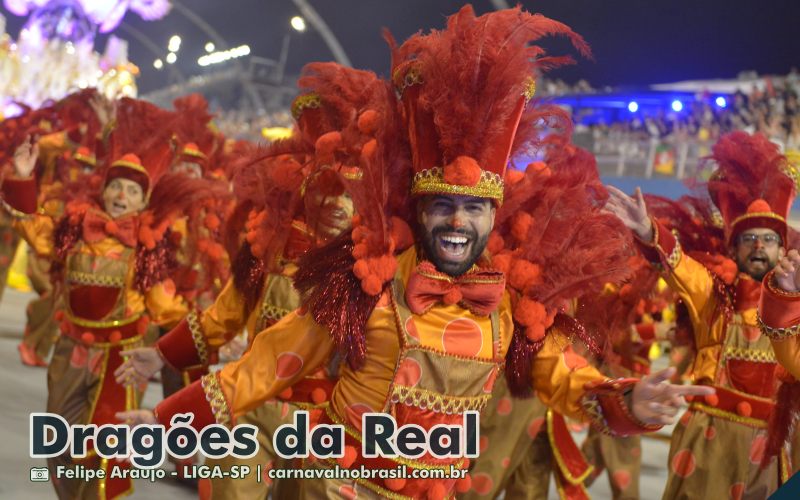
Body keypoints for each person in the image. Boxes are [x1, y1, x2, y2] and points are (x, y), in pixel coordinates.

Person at [119, 6, 710, 499]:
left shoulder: (510, 306)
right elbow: (273, 359)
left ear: (491, 217)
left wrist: (632, 399)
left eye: (473, 209)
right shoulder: (364, 285)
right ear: (419, 211)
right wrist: (169, 418)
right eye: (443, 206)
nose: (457, 220)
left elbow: (567, 380)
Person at [1, 97, 225, 500]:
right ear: (104, 191)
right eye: (116, 185)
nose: (122, 194)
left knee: (105, 454)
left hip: (119, 362)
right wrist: (21, 178)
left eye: (132, 191)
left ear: (143, 202)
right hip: (69, 355)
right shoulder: (73, 232)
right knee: (60, 447)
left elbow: (165, 306)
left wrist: (215, 326)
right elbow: (30, 226)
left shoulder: (147, 249)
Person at [605, 131, 796, 498]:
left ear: (782, 248)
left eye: (769, 240)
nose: (759, 247)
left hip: (772, 449)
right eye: (749, 239)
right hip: (708, 442)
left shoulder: (797, 306)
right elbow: (680, 266)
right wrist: (649, 230)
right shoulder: (714, 298)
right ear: (734, 249)